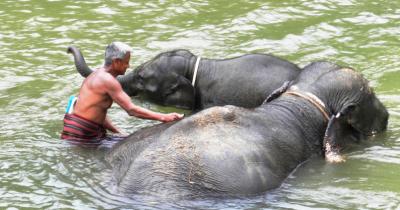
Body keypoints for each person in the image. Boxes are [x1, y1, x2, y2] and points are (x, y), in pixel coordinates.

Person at [61, 42, 184, 144]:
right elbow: (131, 110)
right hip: (82, 137)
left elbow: (98, 113)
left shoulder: (96, 75)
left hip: (76, 132)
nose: (128, 66)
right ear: (116, 62)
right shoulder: (108, 81)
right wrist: (164, 117)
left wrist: (118, 132)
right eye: (126, 62)